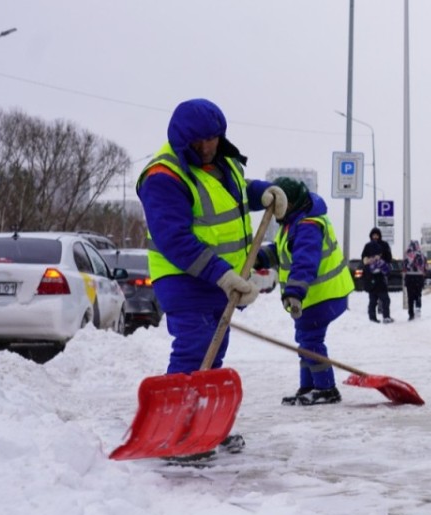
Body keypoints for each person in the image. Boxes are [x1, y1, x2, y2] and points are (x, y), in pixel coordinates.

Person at [137, 98, 288, 452]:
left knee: (213, 350)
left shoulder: (223, 162)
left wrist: (261, 191)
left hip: (217, 279)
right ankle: (175, 434)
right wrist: (222, 274)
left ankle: (202, 428)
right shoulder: (163, 176)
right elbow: (174, 239)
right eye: (198, 142)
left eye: (213, 139)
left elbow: (235, 192)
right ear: (181, 139)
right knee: (194, 349)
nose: (207, 148)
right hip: (183, 277)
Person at [255, 177, 354, 405]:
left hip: (323, 294)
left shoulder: (308, 225)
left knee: (310, 340)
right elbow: (282, 252)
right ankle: (309, 386)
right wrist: (259, 258)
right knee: (305, 339)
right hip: (315, 295)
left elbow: (304, 261)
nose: (276, 211)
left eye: (281, 205)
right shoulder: (294, 221)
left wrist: (294, 292)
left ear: (291, 203)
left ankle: (326, 389)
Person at [360, 228, 394, 323]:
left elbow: (388, 257)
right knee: (382, 299)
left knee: (374, 299)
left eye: (376, 235)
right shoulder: (372, 249)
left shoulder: (380, 245)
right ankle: (382, 317)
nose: (375, 237)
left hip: (374, 278)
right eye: (373, 235)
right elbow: (387, 265)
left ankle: (374, 317)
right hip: (378, 278)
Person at [364, 254, 394, 323]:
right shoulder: (379, 263)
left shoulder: (368, 265)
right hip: (380, 286)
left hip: (373, 286)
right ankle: (385, 317)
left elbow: (387, 272)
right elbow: (387, 272)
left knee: (374, 302)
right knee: (385, 301)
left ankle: (373, 318)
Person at [403, 240, 427, 320]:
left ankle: (411, 314)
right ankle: (417, 309)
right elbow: (424, 267)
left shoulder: (407, 255)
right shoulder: (421, 255)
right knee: (418, 295)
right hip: (418, 277)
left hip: (410, 277)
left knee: (411, 297)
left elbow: (404, 267)